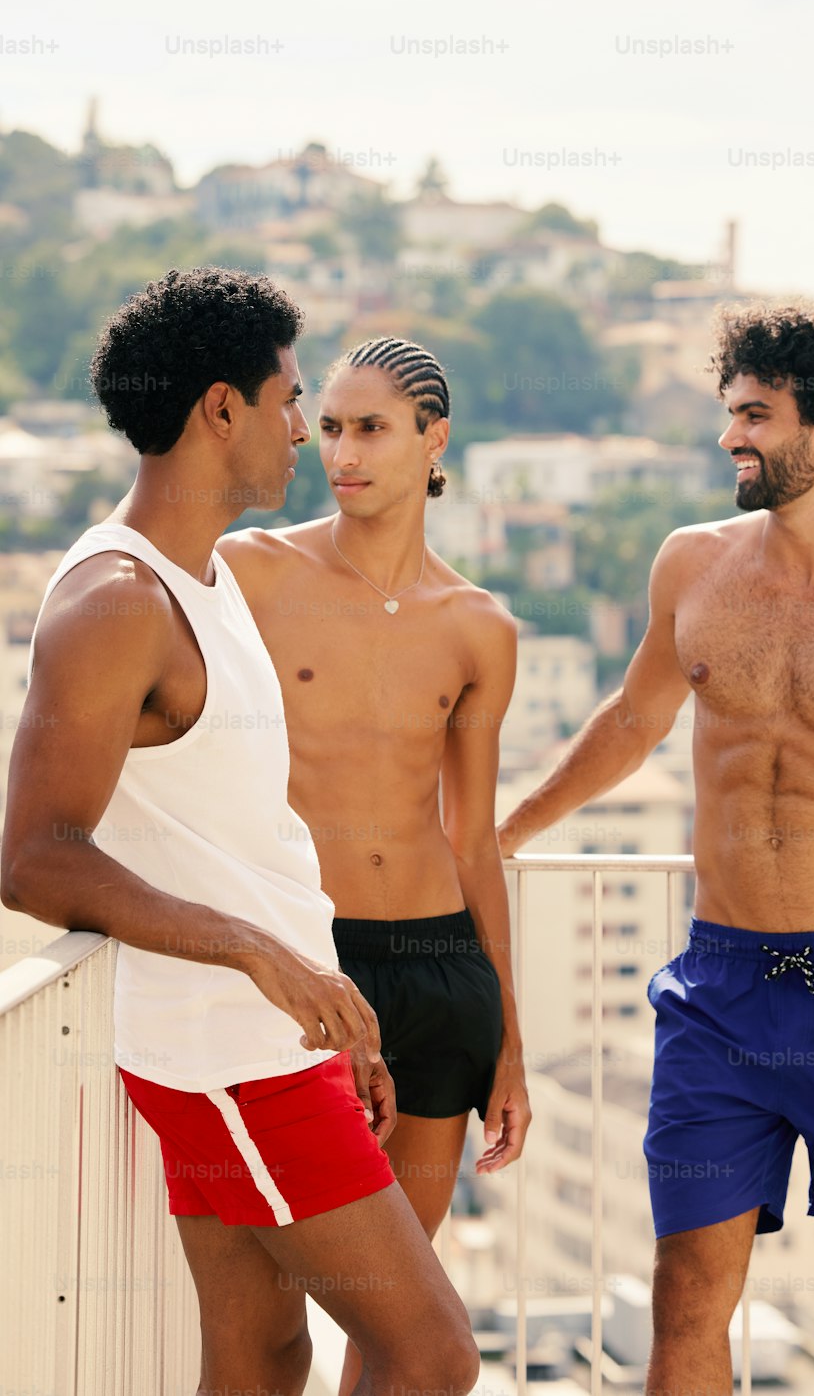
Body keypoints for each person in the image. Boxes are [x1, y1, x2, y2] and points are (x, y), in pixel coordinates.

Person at [497, 302, 814, 1395]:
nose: (730, 436)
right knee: (685, 1293)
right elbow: (630, 723)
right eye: (729, 412)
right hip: (717, 982)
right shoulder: (693, 564)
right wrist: (504, 832)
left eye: (753, 415)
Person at [0, 271, 480, 1396]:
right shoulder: (116, 598)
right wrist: (257, 953)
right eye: (287, 397)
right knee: (431, 1351)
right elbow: (31, 853)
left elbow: (238, 834)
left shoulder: (202, 579)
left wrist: (313, 987)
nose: (302, 429)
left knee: (264, 1356)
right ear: (220, 408)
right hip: (228, 1052)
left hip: (258, 1040)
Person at [218, 336, 530, 1387]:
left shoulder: (480, 625)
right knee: (273, 1322)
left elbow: (472, 837)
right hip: (308, 966)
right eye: (334, 426)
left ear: (434, 439)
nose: (340, 450)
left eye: (372, 428)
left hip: (443, 975)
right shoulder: (256, 571)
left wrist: (513, 1045)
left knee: (395, 1329)